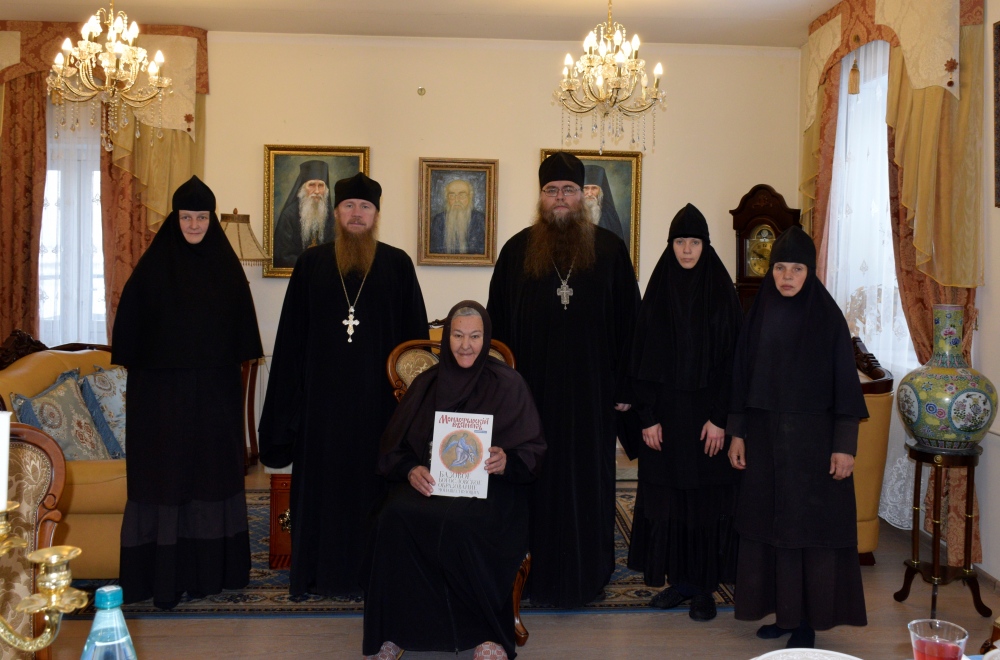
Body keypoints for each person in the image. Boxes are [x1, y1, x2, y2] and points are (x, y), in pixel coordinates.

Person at [259, 172, 429, 598]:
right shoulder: (311, 264)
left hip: (380, 409)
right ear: (336, 213)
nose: (357, 213)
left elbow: (415, 347)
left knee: (375, 492)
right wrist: (287, 414)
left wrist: (414, 414)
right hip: (322, 409)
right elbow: (291, 342)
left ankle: (377, 575)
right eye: (349, 206)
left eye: (365, 207)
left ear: (376, 215)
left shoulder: (397, 265)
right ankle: (319, 574)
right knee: (325, 493)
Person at [487, 151, 640, 608]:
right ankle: (530, 576)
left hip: (592, 398)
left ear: (583, 196)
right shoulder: (516, 252)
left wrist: (626, 389)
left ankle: (587, 574)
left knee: (587, 485)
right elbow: (498, 329)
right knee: (533, 483)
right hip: (530, 399)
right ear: (541, 196)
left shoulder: (610, 251)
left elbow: (631, 327)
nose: (560, 198)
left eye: (568, 190)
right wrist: (501, 393)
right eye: (551, 190)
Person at [111, 175, 263, 609]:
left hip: (214, 398)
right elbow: (132, 339)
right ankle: (160, 577)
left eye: (201, 217)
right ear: (174, 219)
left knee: (211, 475)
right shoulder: (151, 271)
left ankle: (212, 573)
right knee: (165, 476)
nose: (194, 225)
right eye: (186, 217)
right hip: (159, 400)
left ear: (211, 220)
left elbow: (242, 339)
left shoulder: (228, 272)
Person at [363, 301, 545, 660]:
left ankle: (489, 635)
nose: (465, 345)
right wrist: (409, 470)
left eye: (474, 337)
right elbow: (393, 449)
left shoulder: (508, 384)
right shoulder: (426, 383)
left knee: (465, 523)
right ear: (447, 337)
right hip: (432, 484)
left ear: (486, 339)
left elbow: (533, 451)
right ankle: (393, 631)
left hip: (491, 488)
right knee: (392, 516)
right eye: (458, 336)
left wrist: (506, 461)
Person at [726, 225, 868, 649]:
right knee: (769, 529)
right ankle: (784, 615)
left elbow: (846, 389)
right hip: (765, 442)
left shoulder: (827, 318)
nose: (787, 276)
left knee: (808, 532)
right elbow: (740, 379)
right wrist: (737, 434)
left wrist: (844, 447)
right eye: (780, 268)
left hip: (813, 447)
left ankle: (808, 619)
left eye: (797, 269)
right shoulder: (758, 314)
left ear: (810, 272)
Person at [626, 204, 743, 621]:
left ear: (705, 245)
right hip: (665, 420)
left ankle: (704, 588)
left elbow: (734, 362)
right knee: (670, 500)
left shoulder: (722, 293)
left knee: (704, 503)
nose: (687, 250)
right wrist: (647, 417)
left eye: (694, 242)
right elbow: (640, 357)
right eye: (680, 241)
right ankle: (679, 582)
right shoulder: (658, 290)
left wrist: (720, 418)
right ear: (671, 244)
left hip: (708, 421)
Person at [272, 160, 335, 268]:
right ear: (302, 188)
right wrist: (310, 264)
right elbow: (282, 256)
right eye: (311, 185)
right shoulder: (289, 215)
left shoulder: (331, 215)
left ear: (326, 190)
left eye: (321, 185)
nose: (316, 191)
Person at [430, 178, 486, 254]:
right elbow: (435, 249)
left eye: (462, 195)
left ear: (470, 197)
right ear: (447, 198)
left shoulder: (480, 219)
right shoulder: (439, 220)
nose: (457, 200)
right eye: (452, 195)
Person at [583, 164, 625, 242]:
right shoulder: (572, 212)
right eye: (586, 188)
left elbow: (617, 243)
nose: (590, 193)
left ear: (600, 191)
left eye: (594, 188)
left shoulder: (609, 214)